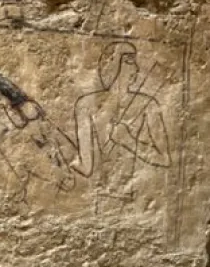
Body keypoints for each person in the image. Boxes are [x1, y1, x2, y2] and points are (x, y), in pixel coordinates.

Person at [68, 41, 170, 210]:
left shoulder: (148, 104)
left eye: (134, 61)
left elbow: (165, 158)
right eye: (129, 61)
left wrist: (129, 141)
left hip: (139, 201)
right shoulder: (85, 104)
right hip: (102, 200)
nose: (136, 68)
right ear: (113, 65)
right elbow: (86, 167)